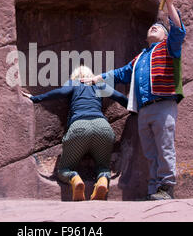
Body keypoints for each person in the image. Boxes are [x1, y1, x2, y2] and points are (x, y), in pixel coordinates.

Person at [81, 0, 186, 200]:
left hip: (163, 105)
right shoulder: (139, 58)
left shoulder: (169, 48)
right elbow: (119, 73)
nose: (154, 28)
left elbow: (178, 30)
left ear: (166, 37)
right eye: (152, 27)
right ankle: (154, 189)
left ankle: (167, 187)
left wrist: (171, 5)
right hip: (143, 110)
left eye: (159, 28)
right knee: (150, 152)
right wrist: (95, 78)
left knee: (165, 148)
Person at [22, 65, 128, 201]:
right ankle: (102, 179)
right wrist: (133, 108)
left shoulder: (74, 84)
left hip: (79, 128)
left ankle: (75, 179)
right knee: (103, 166)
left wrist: (35, 98)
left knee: (64, 169)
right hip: (102, 127)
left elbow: (59, 92)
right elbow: (118, 96)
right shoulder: (98, 84)